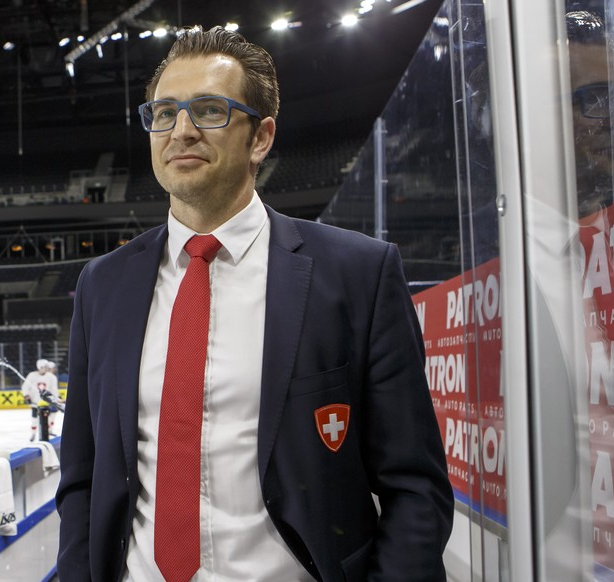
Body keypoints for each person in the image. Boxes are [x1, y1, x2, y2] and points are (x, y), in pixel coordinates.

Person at [56, 26, 453, 581]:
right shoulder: (103, 286)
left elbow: (414, 487)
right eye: (164, 113)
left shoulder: (358, 274)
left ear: (260, 138)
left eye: (210, 110)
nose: (182, 130)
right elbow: (82, 476)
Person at [21, 358, 59, 440]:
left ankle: (47, 433)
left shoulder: (51, 377)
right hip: (35, 402)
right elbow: (25, 387)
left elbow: (54, 390)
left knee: (48, 419)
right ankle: (33, 434)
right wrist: (26, 396)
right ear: (40, 367)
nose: (47, 368)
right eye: (45, 366)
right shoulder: (32, 375)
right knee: (34, 419)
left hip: (46, 403)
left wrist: (54, 400)